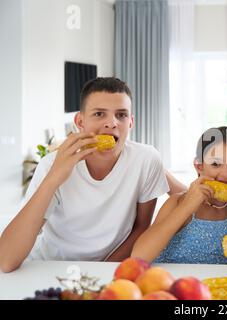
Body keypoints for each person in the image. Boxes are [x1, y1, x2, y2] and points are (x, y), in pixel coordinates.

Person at [0, 77, 179, 273]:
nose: (111, 123)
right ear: (80, 121)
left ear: (131, 123)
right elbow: (6, 261)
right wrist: (54, 178)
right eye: (99, 114)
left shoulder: (146, 159)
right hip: (51, 267)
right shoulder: (50, 164)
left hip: (110, 267)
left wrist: (99, 274)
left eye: (121, 115)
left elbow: (141, 228)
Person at [131, 127, 227, 264]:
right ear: (199, 166)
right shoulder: (178, 202)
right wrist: (186, 207)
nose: (226, 174)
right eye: (216, 164)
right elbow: (138, 256)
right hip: (168, 281)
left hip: (206, 284)